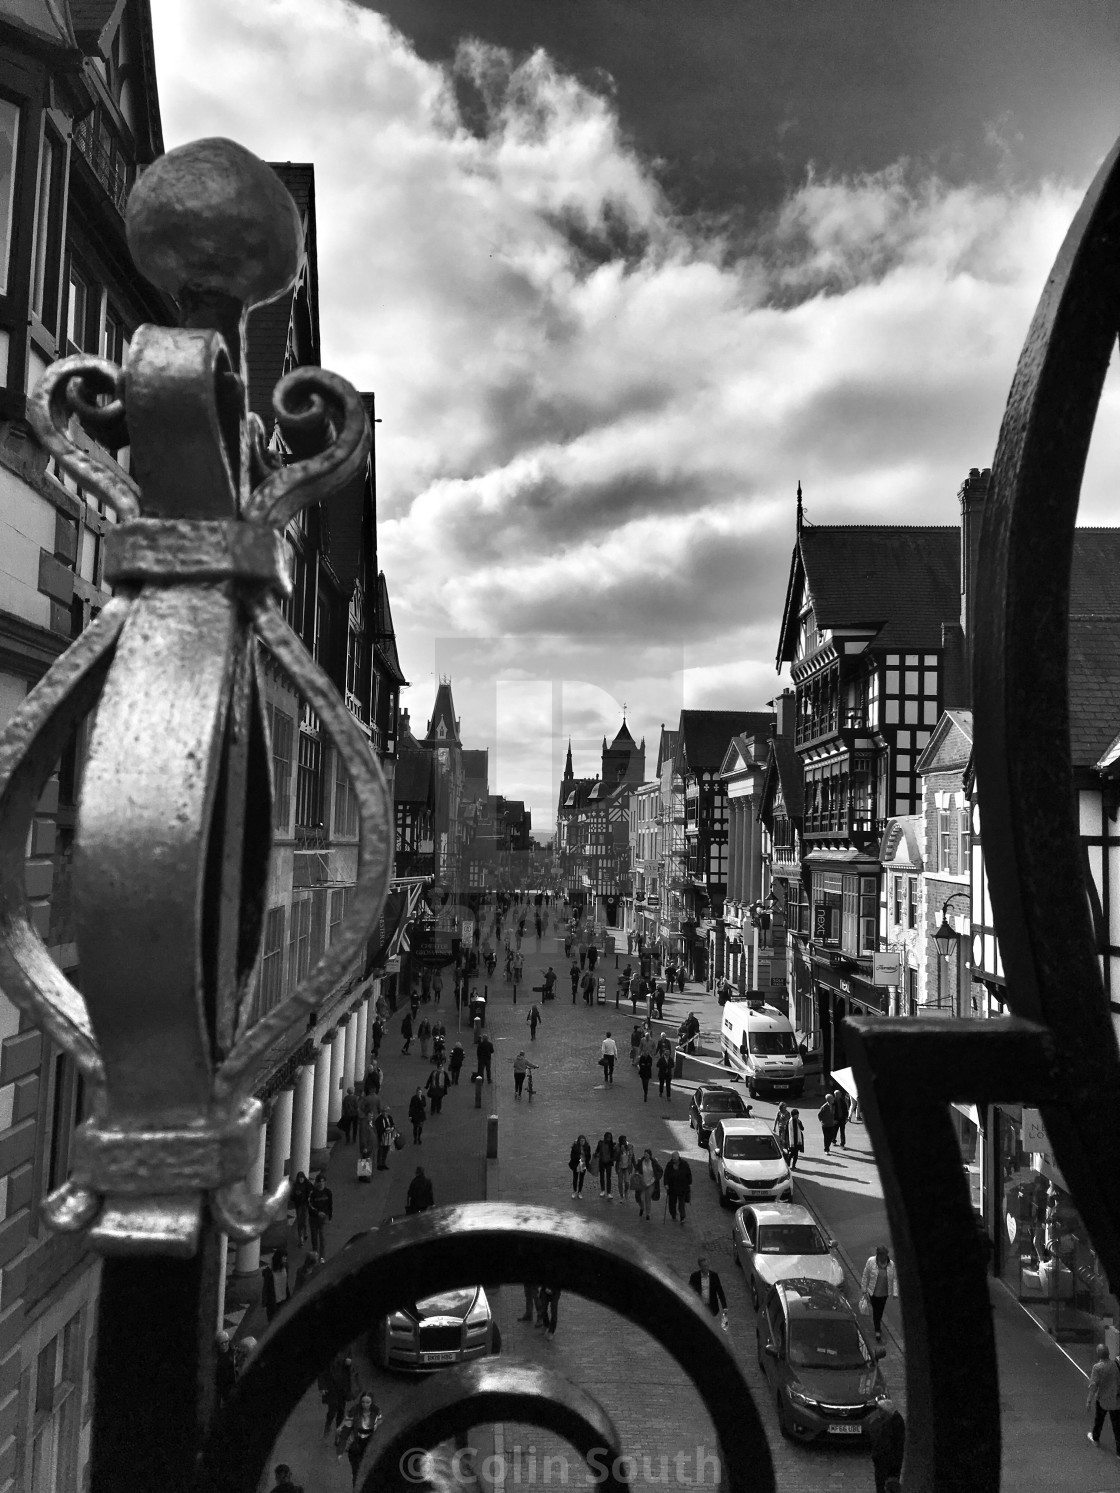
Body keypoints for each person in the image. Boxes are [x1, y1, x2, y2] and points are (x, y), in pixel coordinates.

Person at [336, 1392, 382, 1487]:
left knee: (368, 1471)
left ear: (372, 1402)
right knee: (356, 1473)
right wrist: (340, 1451)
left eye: (368, 1402)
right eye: (363, 1402)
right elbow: (345, 1432)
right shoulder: (354, 1411)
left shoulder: (376, 1412)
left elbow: (379, 1429)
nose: (365, 1405)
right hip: (355, 1445)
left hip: (368, 1445)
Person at [860, 1245, 899, 1342]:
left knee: (879, 1312)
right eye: (881, 1255)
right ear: (878, 1255)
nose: (883, 1257)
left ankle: (877, 1328)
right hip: (872, 1293)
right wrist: (864, 1289)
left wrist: (895, 1292)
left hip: (884, 1294)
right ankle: (877, 1329)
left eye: (885, 1255)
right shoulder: (871, 1262)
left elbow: (894, 1279)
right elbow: (865, 1275)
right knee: (877, 1312)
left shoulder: (891, 1265)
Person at [1087, 1342, 1120, 1450]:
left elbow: (1093, 1386)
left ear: (1098, 1354)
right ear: (1108, 1353)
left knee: (1099, 1421)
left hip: (1102, 1400)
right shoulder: (1115, 1365)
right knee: (1117, 1426)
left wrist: (1088, 1401)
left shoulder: (1097, 1368)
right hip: (1115, 1400)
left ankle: (1095, 1439)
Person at [319, 1349, 358, 1439]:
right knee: (332, 1409)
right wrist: (322, 1386)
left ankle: (338, 1433)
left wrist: (349, 1362)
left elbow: (350, 1362)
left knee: (341, 1410)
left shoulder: (346, 1348)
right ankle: (328, 1424)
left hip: (342, 1386)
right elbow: (322, 1370)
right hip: (331, 1385)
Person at [870, 1399, 906, 1493]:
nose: (879, 1413)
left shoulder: (892, 1423)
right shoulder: (888, 1421)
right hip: (885, 1464)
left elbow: (890, 1445)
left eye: (881, 1410)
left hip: (887, 1465)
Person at [664, 1150, 692, 1223]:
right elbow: (666, 1175)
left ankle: (682, 1217)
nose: (673, 1158)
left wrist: (688, 1183)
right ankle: (673, 1214)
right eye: (672, 1157)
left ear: (678, 1157)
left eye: (674, 1157)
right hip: (672, 1188)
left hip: (682, 1188)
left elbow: (688, 1174)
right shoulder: (669, 1165)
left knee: (681, 1204)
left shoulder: (684, 1164)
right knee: (672, 1204)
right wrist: (666, 1184)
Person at [633, 1148, 662, 1221]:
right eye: (645, 1154)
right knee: (640, 1198)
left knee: (648, 1197)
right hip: (642, 1183)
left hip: (651, 1183)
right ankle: (642, 1207)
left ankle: (648, 1213)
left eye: (647, 1155)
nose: (645, 1156)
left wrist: (656, 1178)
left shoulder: (654, 1162)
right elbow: (636, 1169)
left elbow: (660, 1170)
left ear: (650, 1156)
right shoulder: (641, 1162)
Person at [308, 1172, 332, 1257]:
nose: (321, 1183)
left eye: (323, 1181)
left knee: (322, 1238)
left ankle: (322, 1256)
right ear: (317, 1182)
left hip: (323, 1218)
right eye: (320, 1181)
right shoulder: (313, 1193)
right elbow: (310, 1205)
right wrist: (318, 1213)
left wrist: (329, 1216)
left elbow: (330, 1204)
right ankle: (315, 1253)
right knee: (314, 1236)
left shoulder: (328, 1192)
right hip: (314, 1218)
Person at [261, 1247, 288, 1322]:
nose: (286, 1258)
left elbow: (286, 1283)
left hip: (283, 1298)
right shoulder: (269, 1272)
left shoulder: (285, 1266)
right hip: (272, 1301)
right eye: (284, 1257)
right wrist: (264, 1302)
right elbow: (265, 1287)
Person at [215, 1330, 237, 1409]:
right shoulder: (215, 1356)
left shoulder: (234, 1352)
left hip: (232, 1384)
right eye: (222, 1343)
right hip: (221, 1386)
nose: (224, 1344)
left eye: (226, 1342)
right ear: (218, 1344)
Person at [290, 1171, 310, 1246]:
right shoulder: (295, 1186)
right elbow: (292, 1196)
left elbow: (311, 1192)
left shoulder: (307, 1184)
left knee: (304, 1220)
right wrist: (296, 1196)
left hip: (305, 1205)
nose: (301, 1180)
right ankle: (300, 1237)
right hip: (298, 1205)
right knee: (299, 1221)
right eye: (299, 1178)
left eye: (302, 1178)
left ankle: (305, 1232)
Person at [595, 1131, 616, 1198]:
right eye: (607, 1137)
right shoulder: (600, 1143)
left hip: (609, 1163)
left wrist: (612, 1159)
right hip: (602, 1162)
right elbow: (597, 1151)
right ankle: (603, 1190)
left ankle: (609, 1192)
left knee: (608, 1178)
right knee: (602, 1176)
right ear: (605, 1137)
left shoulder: (612, 1145)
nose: (608, 1139)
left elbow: (614, 1153)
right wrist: (596, 1154)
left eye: (610, 1138)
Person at [374, 1102, 395, 1170]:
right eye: (385, 1112)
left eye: (387, 1112)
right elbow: (378, 1128)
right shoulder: (379, 1119)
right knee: (381, 1151)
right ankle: (379, 1164)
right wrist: (385, 1130)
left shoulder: (389, 1117)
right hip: (382, 1137)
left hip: (388, 1137)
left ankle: (383, 1163)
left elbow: (392, 1124)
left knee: (386, 1151)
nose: (386, 1113)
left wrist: (391, 1128)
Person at [616, 1134, 636, 1200]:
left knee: (627, 1182)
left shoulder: (630, 1147)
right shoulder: (617, 1147)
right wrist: (620, 1151)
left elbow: (632, 1156)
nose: (623, 1143)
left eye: (624, 1141)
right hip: (620, 1167)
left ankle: (626, 1191)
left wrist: (635, 1166)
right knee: (620, 1182)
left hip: (627, 1167)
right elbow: (615, 1157)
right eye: (622, 1141)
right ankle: (621, 1195)